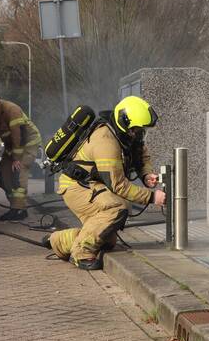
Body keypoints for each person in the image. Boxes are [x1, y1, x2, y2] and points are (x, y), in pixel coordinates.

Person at [48, 96, 165, 270]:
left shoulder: (127, 135)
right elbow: (118, 185)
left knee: (106, 240)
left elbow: (142, 155)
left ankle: (58, 241)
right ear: (124, 121)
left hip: (93, 184)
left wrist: (146, 174)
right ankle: (81, 253)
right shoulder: (105, 141)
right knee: (116, 208)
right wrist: (151, 196)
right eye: (136, 130)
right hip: (77, 186)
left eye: (141, 131)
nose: (139, 134)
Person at [0, 93, 41, 221]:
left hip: (28, 143)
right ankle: (14, 208)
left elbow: (18, 135)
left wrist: (17, 159)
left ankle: (20, 210)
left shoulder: (11, 109)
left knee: (18, 171)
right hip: (12, 147)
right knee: (3, 176)